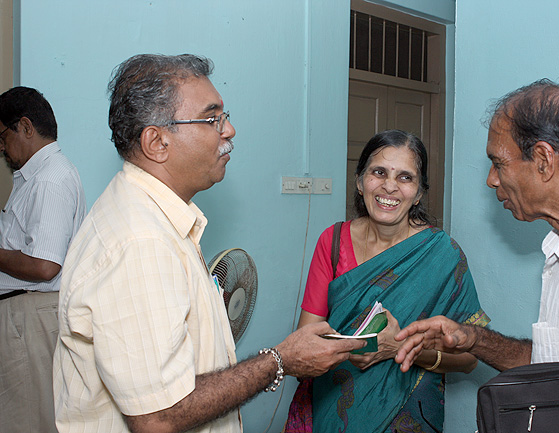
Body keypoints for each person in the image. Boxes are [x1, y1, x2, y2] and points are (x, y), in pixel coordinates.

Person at [53, 54, 365, 433]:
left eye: (225, 115)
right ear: (158, 142)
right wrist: (280, 361)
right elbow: (158, 416)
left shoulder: (158, 217)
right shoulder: (142, 242)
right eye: (211, 118)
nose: (229, 129)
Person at [395, 79, 559, 433]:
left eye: (499, 163)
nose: (490, 180)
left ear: (544, 160)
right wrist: (473, 338)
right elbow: (554, 366)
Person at [285, 130, 490, 433]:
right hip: (331, 407)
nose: (389, 186)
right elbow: (306, 339)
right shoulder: (332, 241)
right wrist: (354, 347)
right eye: (378, 172)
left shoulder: (443, 255)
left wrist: (401, 349)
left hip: (409, 415)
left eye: (405, 177)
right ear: (360, 181)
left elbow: (470, 357)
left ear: (419, 192)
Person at [0, 86, 86, 433]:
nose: (2, 147)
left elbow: (44, 266)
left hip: (31, 316)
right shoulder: (35, 178)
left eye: (3, 136)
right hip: (26, 314)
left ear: (25, 126)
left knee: (31, 420)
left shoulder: (50, 179)